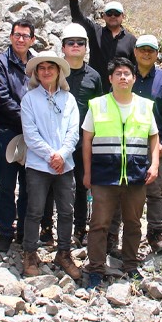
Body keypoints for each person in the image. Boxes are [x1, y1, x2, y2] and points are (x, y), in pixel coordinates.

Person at [83, 57, 160, 287]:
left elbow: (153, 136)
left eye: (127, 73)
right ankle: (95, 268)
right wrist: (87, 173)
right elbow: (87, 139)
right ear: (110, 79)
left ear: (134, 78)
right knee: (99, 224)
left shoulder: (145, 105)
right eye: (118, 74)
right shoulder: (97, 105)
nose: (123, 77)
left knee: (133, 223)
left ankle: (130, 265)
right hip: (104, 175)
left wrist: (154, 164)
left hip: (136, 175)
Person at [20, 51, 82, 279]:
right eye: (42, 68)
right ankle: (30, 253)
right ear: (37, 72)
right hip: (38, 165)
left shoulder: (69, 99)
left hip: (65, 166)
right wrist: (51, 156)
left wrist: (62, 155)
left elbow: (73, 132)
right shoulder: (29, 99)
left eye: (51, 67)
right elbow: (30, 134)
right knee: (34, 211)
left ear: (58, 71)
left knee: (66, 211)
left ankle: (64, 253)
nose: (46, 72)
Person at [128, 34, 162, 254]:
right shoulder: (126, 75)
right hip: (129, 144)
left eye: (151, 50)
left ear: (157, 54)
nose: (146, 53)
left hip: (154, 146)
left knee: (154, 191)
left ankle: (155, 235)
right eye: (142, 49)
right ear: (135, 52)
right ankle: (124, 237)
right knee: (126, 190)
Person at [0, 19, 36, 252]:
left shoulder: (37, 64)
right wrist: (30, 119)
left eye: (25, 36)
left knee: (29, 184)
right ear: (10, 36)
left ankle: (24, 232)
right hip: (8, 131)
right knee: (6, 185)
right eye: (17, 35)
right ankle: (5, 231)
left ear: (32, 40)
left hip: (33, 137)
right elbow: (1, 97)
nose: (20, 39)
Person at [61, 23, 103, 246]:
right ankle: (49, 228)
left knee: (81, 184)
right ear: (63, 47)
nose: (75, 46)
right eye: (71, 43)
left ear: (86, 47)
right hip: (57, 139)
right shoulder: (55, 72)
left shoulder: (94, 76)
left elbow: (99, 109)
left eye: (80, 43)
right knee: (53, 185)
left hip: (84, 141)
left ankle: (79, 228)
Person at [66, 0, 136, 85]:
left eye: (117, 13)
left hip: (119, 89)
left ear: (123, 16)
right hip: (95, 86)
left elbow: (134, 66)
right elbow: (78, 18)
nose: (113, 16)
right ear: (103, 16)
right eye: (109, 13)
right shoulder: (95, 31)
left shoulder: (131, 40)